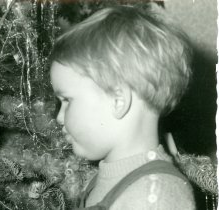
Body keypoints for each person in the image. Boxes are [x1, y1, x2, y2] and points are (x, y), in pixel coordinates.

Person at [49, 4, 196, 210]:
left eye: (67, 101)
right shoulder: (103, 179)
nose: (59, 117)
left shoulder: (153, 197)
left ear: (118, 101)